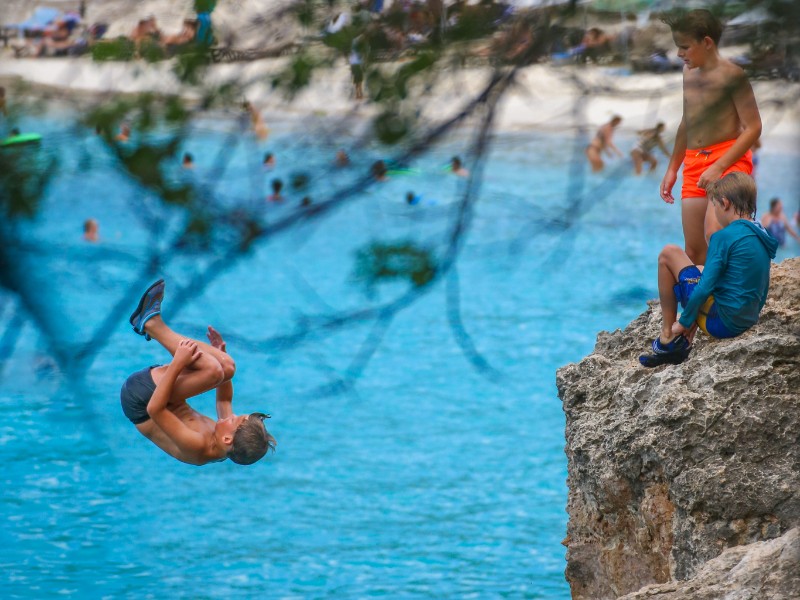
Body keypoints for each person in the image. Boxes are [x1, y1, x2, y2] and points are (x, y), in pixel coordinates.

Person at [122, 279, 276, 465]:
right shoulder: (226, 435)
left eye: (234, 419)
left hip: (140, 399)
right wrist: (220, 353)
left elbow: (155, 410)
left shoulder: (196, 446)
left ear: (227, 439)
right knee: (226, 365)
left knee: (212, 371)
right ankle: (149, 325)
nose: (231, 416)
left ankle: (150, 324)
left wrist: (179, 363)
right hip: (166, 398)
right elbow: (223, 400)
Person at [639, 173, 777, 368]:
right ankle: (684, 327)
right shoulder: (760, 234)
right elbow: (760, 284)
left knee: (668, 254)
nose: (715, 212)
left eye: (714, 206)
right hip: (747, 318)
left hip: (722, 325)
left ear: (725, 203)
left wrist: (685, 321)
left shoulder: (724, 237)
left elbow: (704, 288)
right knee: (700, 268)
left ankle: (668, 338)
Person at [659, 9, 762, 267]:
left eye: (684, 47)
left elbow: (753, 128)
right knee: (694, 252)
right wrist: (673, 168)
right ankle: (706, 305)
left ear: (707, 42)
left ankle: (734, 295)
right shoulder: (688, 74)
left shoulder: (733, 76)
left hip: (728, 161)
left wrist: (718, 167)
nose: (679, 54)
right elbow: (687, 123)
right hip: (694, 163)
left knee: (714, 234)